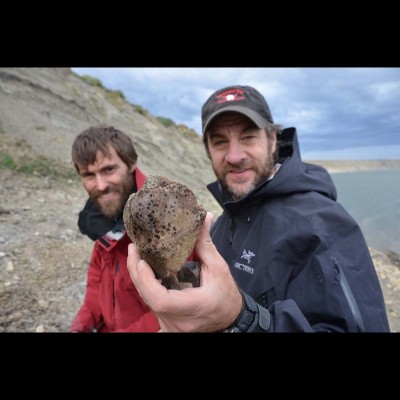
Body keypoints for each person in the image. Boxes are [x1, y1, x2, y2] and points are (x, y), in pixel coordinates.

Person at [127, 85, 390, 332]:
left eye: (248, 137)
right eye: (220, 142)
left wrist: (243, 320)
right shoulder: (222, 223)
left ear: (274, 139)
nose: (234, 156)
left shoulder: (323, 225)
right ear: (208, 151)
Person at [70, 125, 160, 332]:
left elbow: (178, 307)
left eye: (108, 170)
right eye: (88, 175)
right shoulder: (100, 217)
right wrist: (81, 326)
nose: (100, 186)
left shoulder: (164, 220)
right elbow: (96, 285)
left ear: (131, 163)